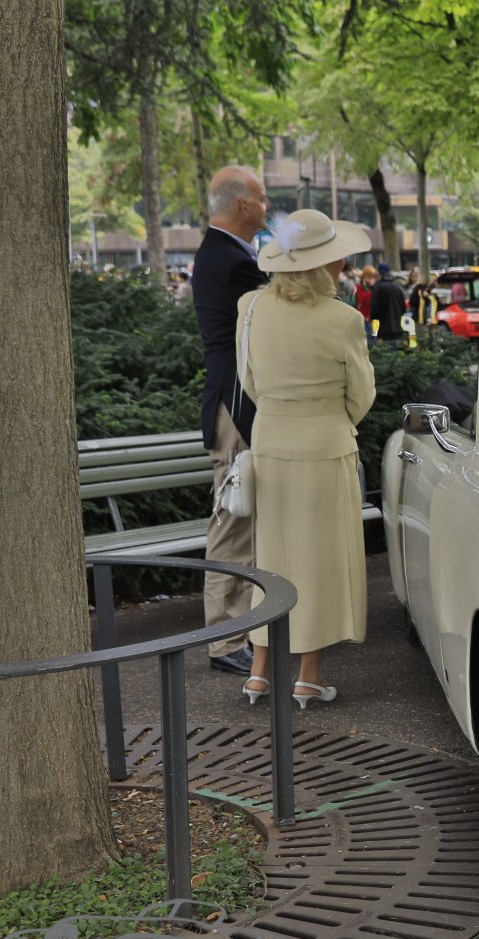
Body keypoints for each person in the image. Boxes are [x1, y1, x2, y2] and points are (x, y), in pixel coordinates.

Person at [237, 209, 377, 708]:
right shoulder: (343, 319)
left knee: (272, 559)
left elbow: (248, 381)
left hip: (270, 442)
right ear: (326, 264)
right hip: (325, 446)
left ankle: (258, 673)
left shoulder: (250, 307)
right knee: (318, 562)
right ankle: (307, 678)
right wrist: (327, 418)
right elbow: (362, 395)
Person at [191, 164, 270, 677]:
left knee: (238, 521)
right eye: (262, 198)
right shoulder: (234, 262)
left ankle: (234, 632)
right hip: (236, 407)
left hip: (232, 403)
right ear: (243, 205)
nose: (267, 206)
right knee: (233, 522)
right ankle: (224, 640)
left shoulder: (220, 253)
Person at [369, 262, 407, 342]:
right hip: (398, 326)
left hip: (383, 327)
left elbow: (374, 308)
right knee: (396, 347)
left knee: (386, 348)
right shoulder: (397, 288)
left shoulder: (377, 288)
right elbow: (403, 308)